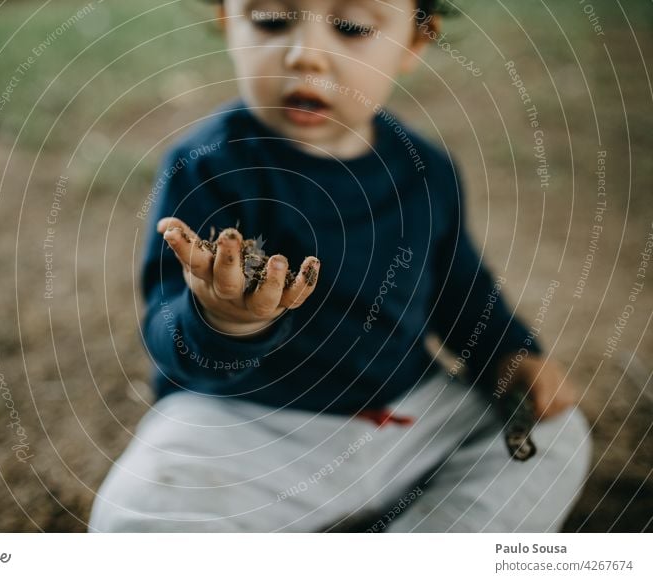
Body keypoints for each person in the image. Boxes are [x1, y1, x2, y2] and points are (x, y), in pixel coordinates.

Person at [89, 0, 591, 532]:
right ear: (226, 21)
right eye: (270, 21)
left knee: (554, 435)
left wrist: (510, 352)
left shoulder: (425, 170)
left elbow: (460, 287)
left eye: (351, 27)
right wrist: (224, 322)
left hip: (409, 415)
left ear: (414, 42)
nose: (307, 56)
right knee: (136, 517)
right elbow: (171, 343)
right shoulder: (206, 168)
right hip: (245, 425)